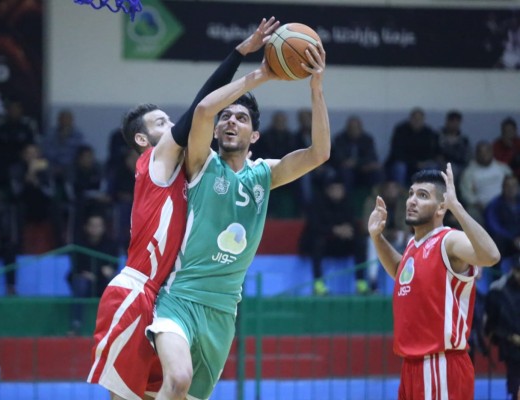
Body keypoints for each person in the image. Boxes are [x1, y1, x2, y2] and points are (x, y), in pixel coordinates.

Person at [86, 17, 280, 400]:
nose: (173, 123)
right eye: (162, 122)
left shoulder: (186, 172)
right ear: (143, 139)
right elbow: (201, 106)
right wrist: (245, 61)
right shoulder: (156, 159)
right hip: (136, 291)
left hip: (164, 296)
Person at [147, 39, 330, 400]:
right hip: (180, 298)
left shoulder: (264, 174)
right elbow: (203, 110)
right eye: (226, 117)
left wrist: (316, 87)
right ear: (216, 131)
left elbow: (319, 153)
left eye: (241, 118)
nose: (231, 121)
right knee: (178, 380)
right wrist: (261, 74)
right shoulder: (201, 162)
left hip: (223, 311)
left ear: (254, 135)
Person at [367, 165, 501, 399]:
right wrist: (377, 237)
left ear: (441, 207)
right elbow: (401, 272)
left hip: (440, 364)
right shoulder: (413, 244)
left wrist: (456, 207)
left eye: (422, 195)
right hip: (412, 365)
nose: (412, 200)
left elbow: (491, 256)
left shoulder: (449, 240)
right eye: (411, 193)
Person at [485, 255, 520, 400]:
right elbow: (493, 325)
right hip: (512, 348)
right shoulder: (499, 290)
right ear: (514, 271)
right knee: (515, 386)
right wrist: (510, 337)